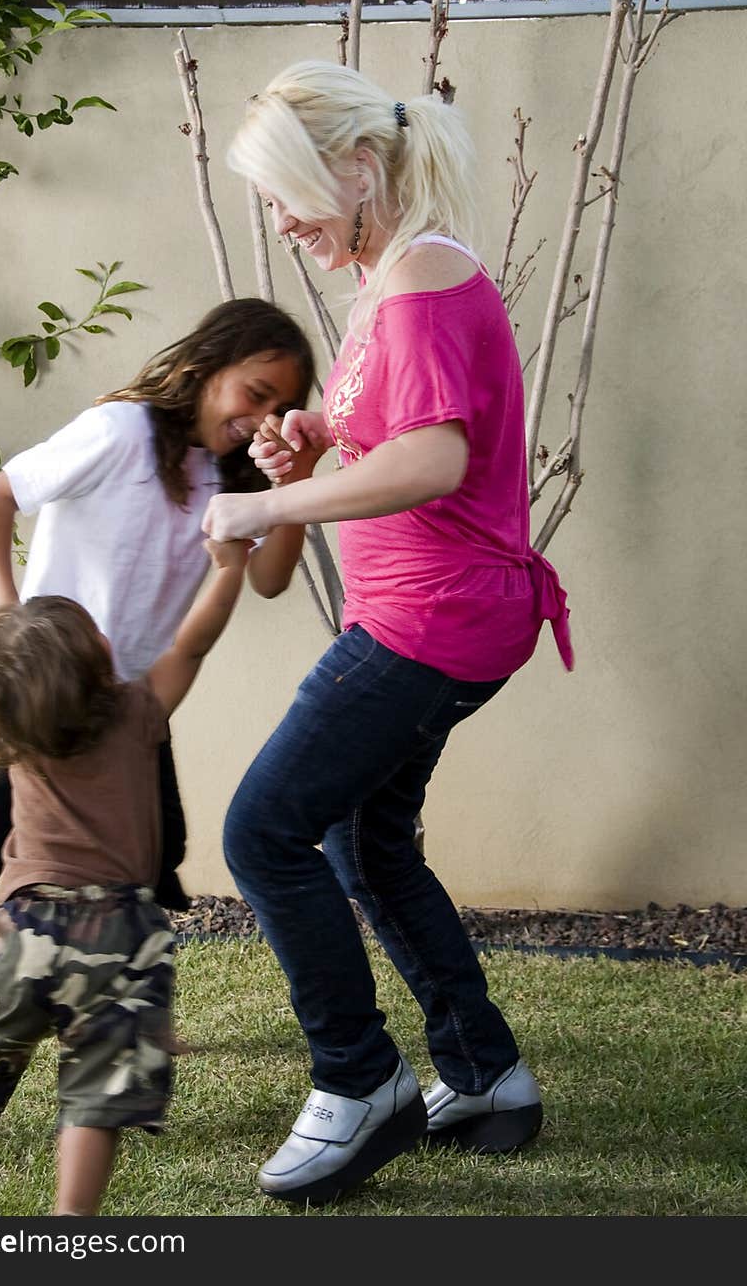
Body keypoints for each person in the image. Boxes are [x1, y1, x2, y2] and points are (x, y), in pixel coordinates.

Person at [201, 61, 574, 1205]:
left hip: (432, 618)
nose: (283, 222)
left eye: (291, 195)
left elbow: (437, 460)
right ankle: (487, 1075)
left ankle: (359, 1082)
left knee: (265, 828)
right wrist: (320, 442)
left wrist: (267, 502)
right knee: (368, 843)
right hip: (431, 612)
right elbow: (401, 442)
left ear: (359, 168)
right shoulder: (400, 278)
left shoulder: (416, 283)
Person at [0, 299, 317, 993]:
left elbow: (270, 578)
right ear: (206, 366)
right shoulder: (120, 431)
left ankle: (127, 1021)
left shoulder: (231, 479)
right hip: (42, 694)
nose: (262, 419)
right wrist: (4, 619)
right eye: (256, 394)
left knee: (146, 860)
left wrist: (295, 482)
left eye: (279, 407)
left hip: (132, 709)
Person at [0, 545, 250, 1217]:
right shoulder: (137, 710)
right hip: (121, 932)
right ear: (99, 656)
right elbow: (195, 641)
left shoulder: (12, 734)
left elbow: (11, 675)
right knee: (96, 1090)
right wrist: (230, 568)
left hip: (27, 928)